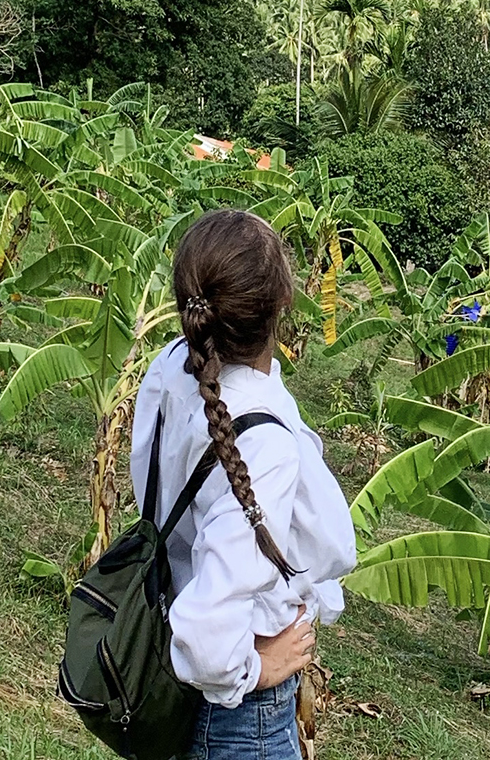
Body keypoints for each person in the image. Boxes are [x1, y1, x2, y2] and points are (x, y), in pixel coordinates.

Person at [129, 209, 357, 760]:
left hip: (168, 672)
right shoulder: (263, 439)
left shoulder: (169, 369)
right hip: (237, 718)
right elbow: (210, 635)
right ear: (281, 307)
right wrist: (257, 668)